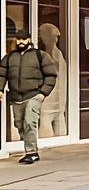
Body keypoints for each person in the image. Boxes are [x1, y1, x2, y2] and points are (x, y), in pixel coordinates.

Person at [0, 29, 58, 164]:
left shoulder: (40, 56)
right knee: (19, 124)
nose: (21, 42)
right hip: (15, 97)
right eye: (18, 39)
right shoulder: (9, 58)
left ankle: (31, 152)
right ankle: (30, 148)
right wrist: (0, 89)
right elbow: (2, 75)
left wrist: (42, 94)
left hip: (33, 95)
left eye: (23, 39)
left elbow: (50, 76)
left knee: (29, 122)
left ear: (29, 40)